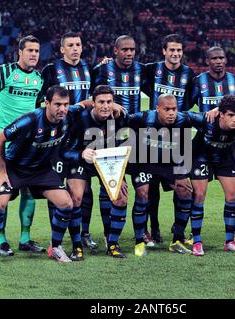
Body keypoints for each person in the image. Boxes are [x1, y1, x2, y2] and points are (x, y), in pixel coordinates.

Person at [0, 86, 80, 268]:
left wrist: (111, 107)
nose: (62, 109)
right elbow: (0, 138)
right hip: (15, 168)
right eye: (57, 104)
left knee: (66, 204)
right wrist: (2, 171)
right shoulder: (31, 120)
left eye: (66, 105)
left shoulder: (68, 115)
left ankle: (55, 247)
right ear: (47, 103)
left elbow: (84, 105)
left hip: (42, 170)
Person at [0, 35, 44, 257]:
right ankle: (2, 240)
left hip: (30, 145)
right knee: (2, 192)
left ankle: (25, 238)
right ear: (20, 52)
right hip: (5, 145)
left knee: (29, 191)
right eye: (30, 50)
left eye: (37, 51)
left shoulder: (39, 79)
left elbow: (37, 111)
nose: (34, 54)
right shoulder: (3, 72)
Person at [126, 94, 216, 257]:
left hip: (170, 162)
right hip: (145, 162)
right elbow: (121, 119)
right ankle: (139, 241)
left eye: (174, 109)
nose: (171, 113)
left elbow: (207, 118)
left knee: (185, 191)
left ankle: (177, 240)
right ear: (158, 108)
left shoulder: (185, 119)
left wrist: (218, 109)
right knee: (142, 193)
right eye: (167, 109)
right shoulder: (144, 117)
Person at [38, 31, 98, 251]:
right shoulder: (51, 70)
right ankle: (58, 238)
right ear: (62, 49)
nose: (75, 48)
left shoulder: (89, 68)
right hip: (57, 138)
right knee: (56, 187)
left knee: (84, 188)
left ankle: (84, 233)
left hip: (83, 136)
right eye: (70, 45)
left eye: (78, 45)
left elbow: (97, 95)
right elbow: (42, 103)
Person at [61, 85, 130, 258]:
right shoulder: (78, 118)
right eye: (101, 102)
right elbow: (64, 149)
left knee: (121, 197)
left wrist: (121, 171)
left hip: (108, 161)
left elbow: (125, 144)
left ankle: (112, 244)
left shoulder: (120, 117)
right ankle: (77, 246)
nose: (106, 106)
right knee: (75, 196)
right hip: (82, 161)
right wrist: (80, 153)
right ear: (93, 103)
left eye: (109, 102)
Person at [91, 35, 146, 247]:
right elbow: (93, 96)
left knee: (143, 186)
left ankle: (144, 233)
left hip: (136, 136)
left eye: (132, 49)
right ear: (115, 50)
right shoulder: (102, 71)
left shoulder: (143, 70)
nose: (129, 53)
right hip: (110, 135)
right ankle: (107, 234)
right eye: (125, 49)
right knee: (110, 187)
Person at [143, 34, 195, 246]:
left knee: (181, 183)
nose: (175, 54)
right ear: (164, 51)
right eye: (171, 50)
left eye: (179, 50)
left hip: (179, 136)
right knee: (151, 187)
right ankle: (153, 228)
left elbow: (191, 99)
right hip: (153, 134)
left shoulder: (189, 73)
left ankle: (178, 230)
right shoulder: (150, 69)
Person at [191, 46, 235, 245]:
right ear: (207, 61)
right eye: (214, 58)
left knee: (233, 193)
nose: (219, 61)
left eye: (222, 57)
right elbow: (187, 106)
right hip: (204, 144)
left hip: (227, 146)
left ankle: (232, 234)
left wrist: (221, 109)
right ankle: (194, 236)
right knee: (198, 193)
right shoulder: (198, 81)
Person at [189, 95, 235, 256]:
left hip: (225, 157)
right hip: (201, 156)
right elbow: (182, 116)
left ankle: (229, 241)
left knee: (233, 195)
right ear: (221, 114)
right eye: (230, 115)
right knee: (199, 195)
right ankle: (197, 241)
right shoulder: (206, 119)